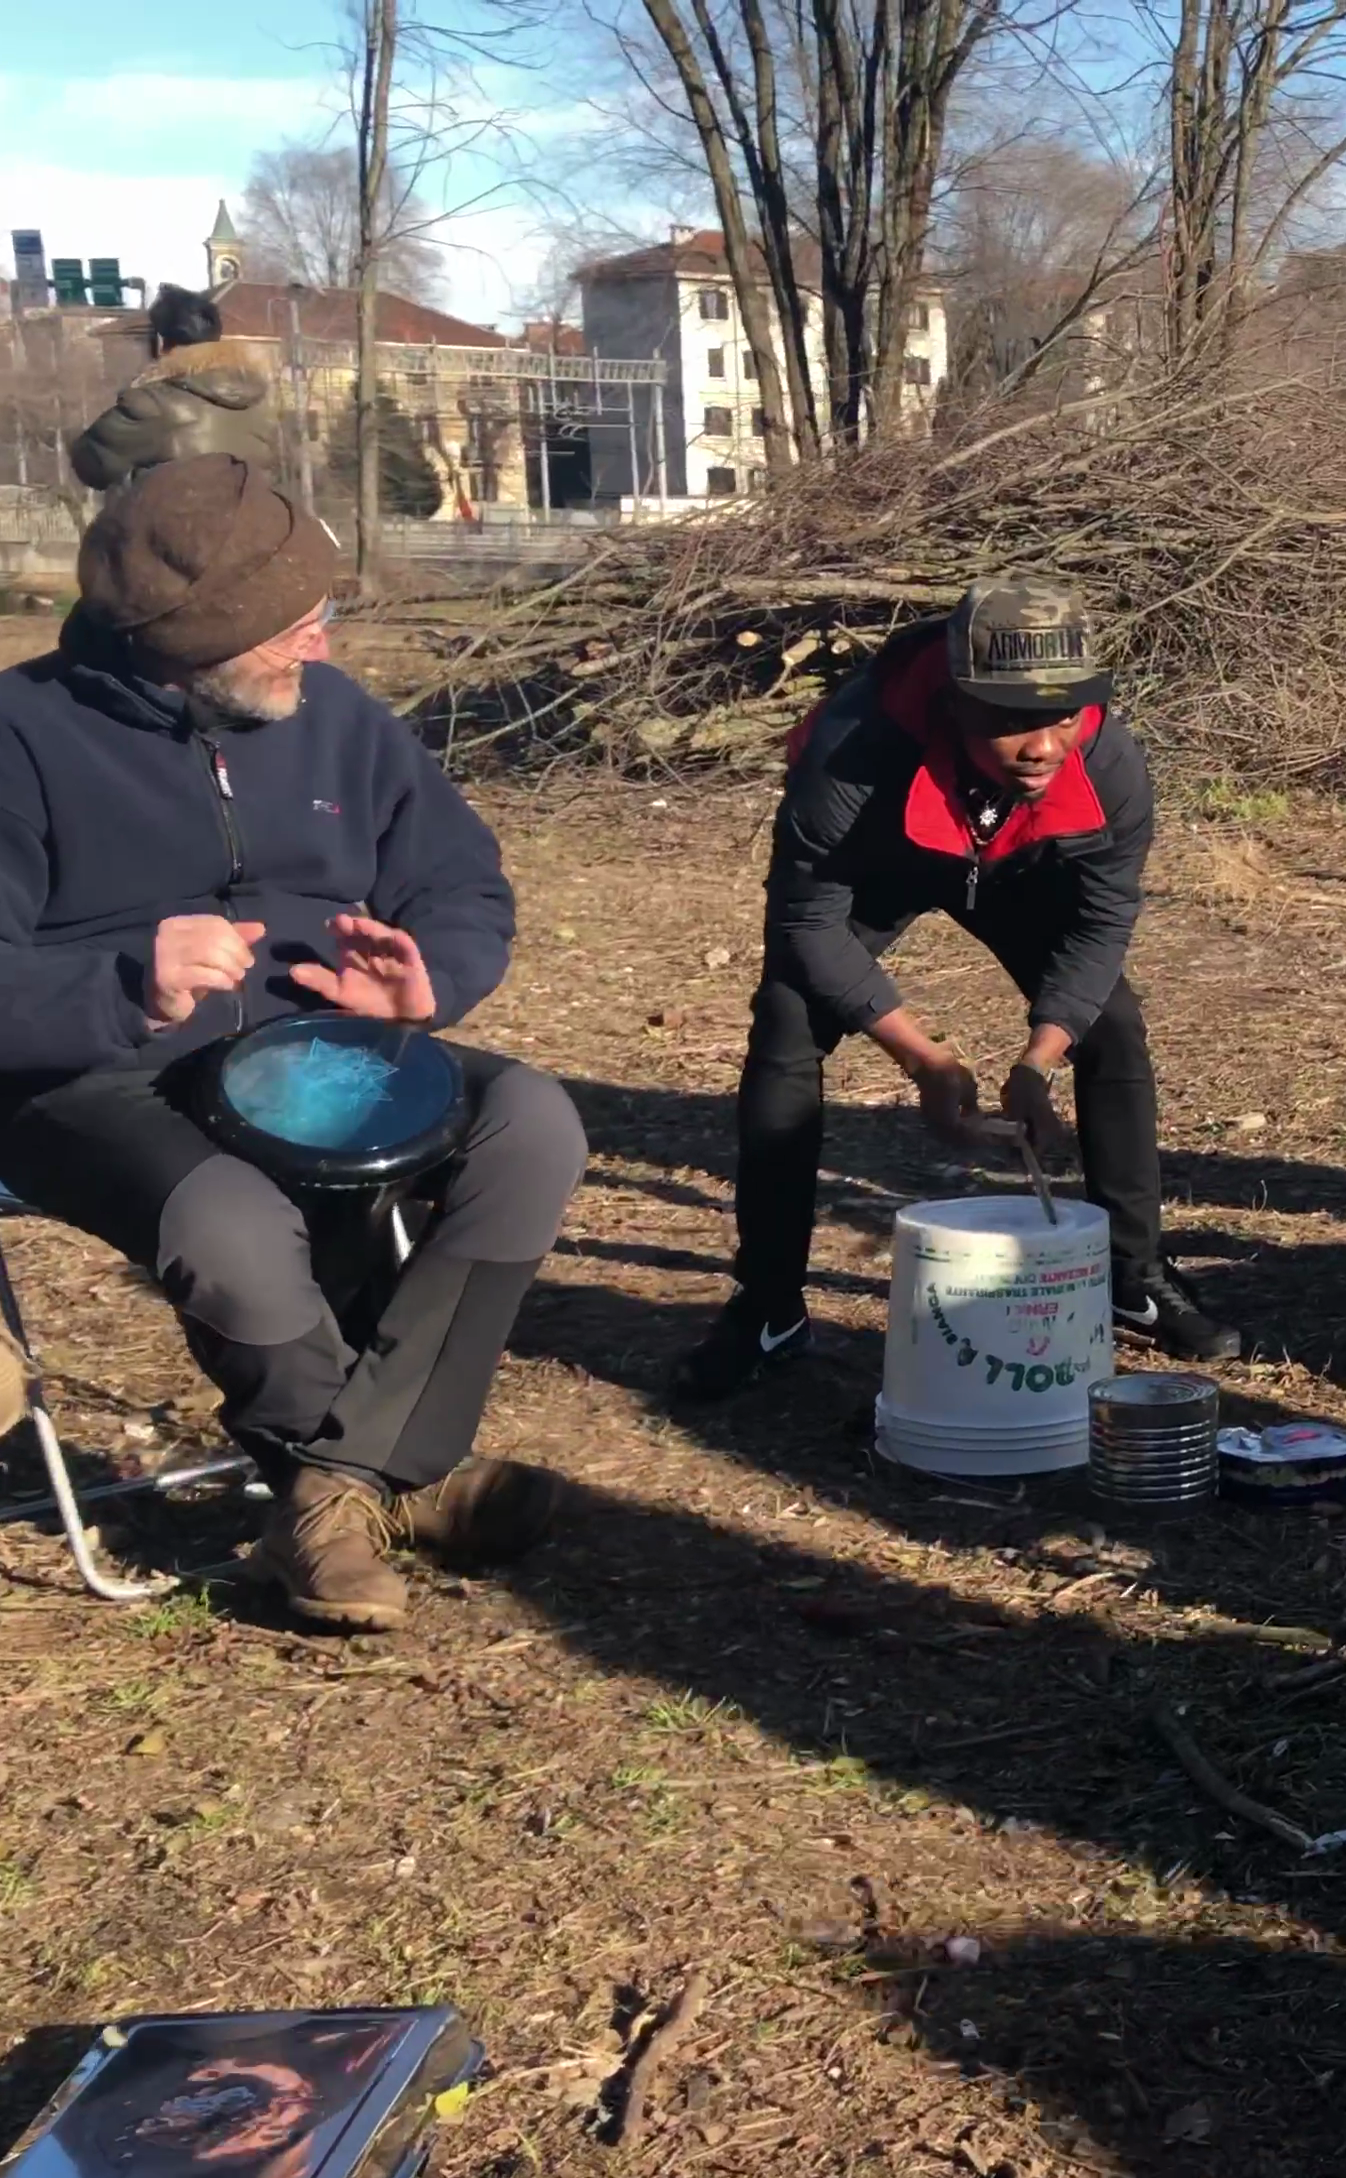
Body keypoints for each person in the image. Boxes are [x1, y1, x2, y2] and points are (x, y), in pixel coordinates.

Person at [0, 455, 585, 1631]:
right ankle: (381, 1490)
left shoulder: (340, 717)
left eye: (322, 618)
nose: (318, 648)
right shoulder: (19, 739)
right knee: (231, 1225)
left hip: (321, 1048)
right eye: (292, 628)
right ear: (185, 643)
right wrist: (122, 983)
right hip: (94, 1077)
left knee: (532, 1126)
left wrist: (431, 979)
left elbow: (462, 881)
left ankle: (340, 1488)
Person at [673, 576, 1246, 1398]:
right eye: (1012, 720)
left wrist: (1038, 1060)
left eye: (1061, 715)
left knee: (1111, 1020)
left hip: (1016, 862)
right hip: (885, 861)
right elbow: (808, 925)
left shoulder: (1107, 760)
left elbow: (1102, 922)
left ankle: (1131, 1275)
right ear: (956, 701)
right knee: (786, 1018)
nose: (1044, 744)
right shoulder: (853, 747)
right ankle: (767, 1303)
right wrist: (924, 1060)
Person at [69, 285, 281, 491]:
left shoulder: (152, 404)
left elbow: (89, 461)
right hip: (252, 521)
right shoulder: (260, 400)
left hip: (177, 522)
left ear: (160, 343)